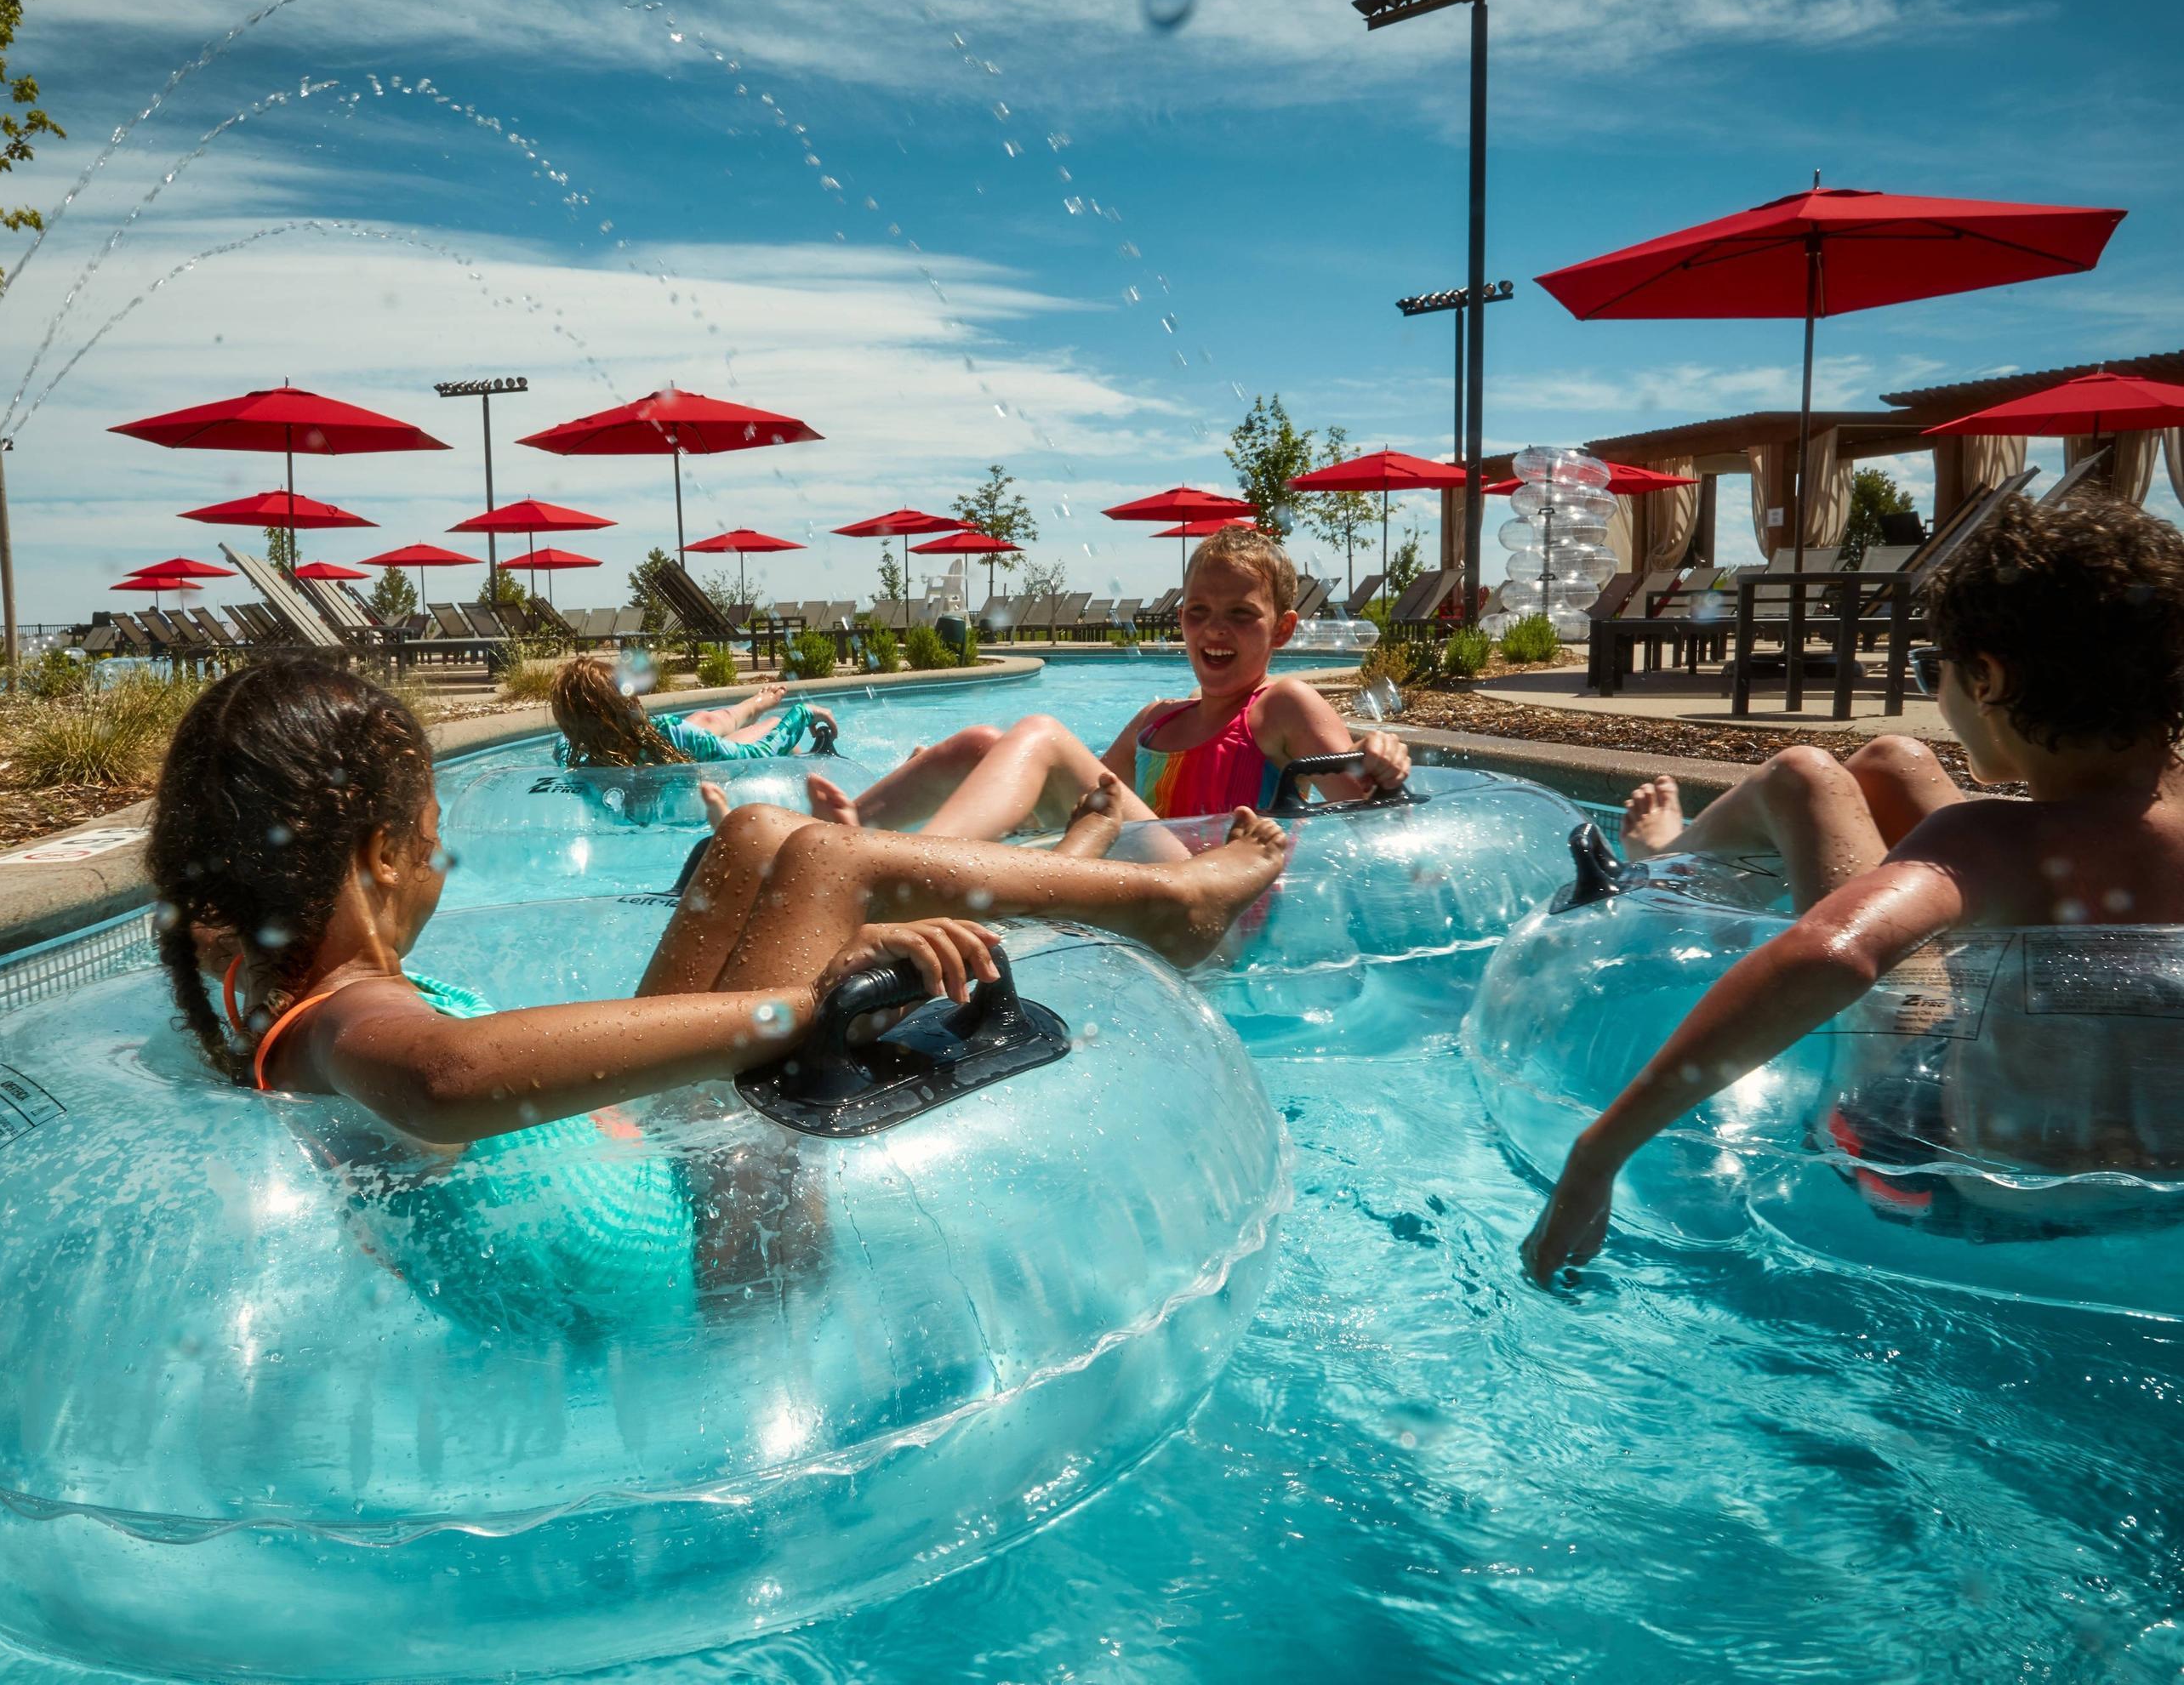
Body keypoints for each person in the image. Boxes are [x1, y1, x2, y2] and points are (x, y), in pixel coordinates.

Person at [149, 657, 1290, 1153]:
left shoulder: (286, 997)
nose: (443, 870)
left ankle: (1097, 860)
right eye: (439, 847)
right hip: (684, 1236)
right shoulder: (338, 1022)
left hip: (641, 1159)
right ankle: (1165, 902)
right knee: (828, 864)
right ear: (384, 854)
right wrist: (798, 1006)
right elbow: (449, 1080)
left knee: (756, 836)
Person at [1523, 492, 2184, 1284]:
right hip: (2160, 1192)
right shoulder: (2030, 844)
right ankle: (1671, 859)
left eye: (1930, 668)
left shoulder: (1990, 846)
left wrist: (1601, 1150)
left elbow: (1830, 956)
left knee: (1803, 780)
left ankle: (1658, 872)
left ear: (1989, 678)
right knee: (1895, 762)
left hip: (1955, 1188)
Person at [801, 526, 1409, 844]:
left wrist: (1380, 758)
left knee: (1038, 732)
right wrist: (984, 775)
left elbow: (1364, 804)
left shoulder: (1278, 706)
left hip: (1207, 895)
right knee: (982, 743)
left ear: (1282, 630)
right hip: (1140, 874)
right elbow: (1070, 797)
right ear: (1181, 620)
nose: (1214, 629)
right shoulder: (1156, 720)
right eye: (1198, 611)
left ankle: (905, 861)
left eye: (1241, 615)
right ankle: (844, 832)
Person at [549, 655, 831, 766]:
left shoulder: (570, 750)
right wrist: (803, 714)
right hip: (687, 752)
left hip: (676, 739)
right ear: (629, 703)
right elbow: (753, 754)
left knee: (701, 722)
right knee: (770, 723)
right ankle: (758, 708)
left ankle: (753, 705)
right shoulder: (668, 735)